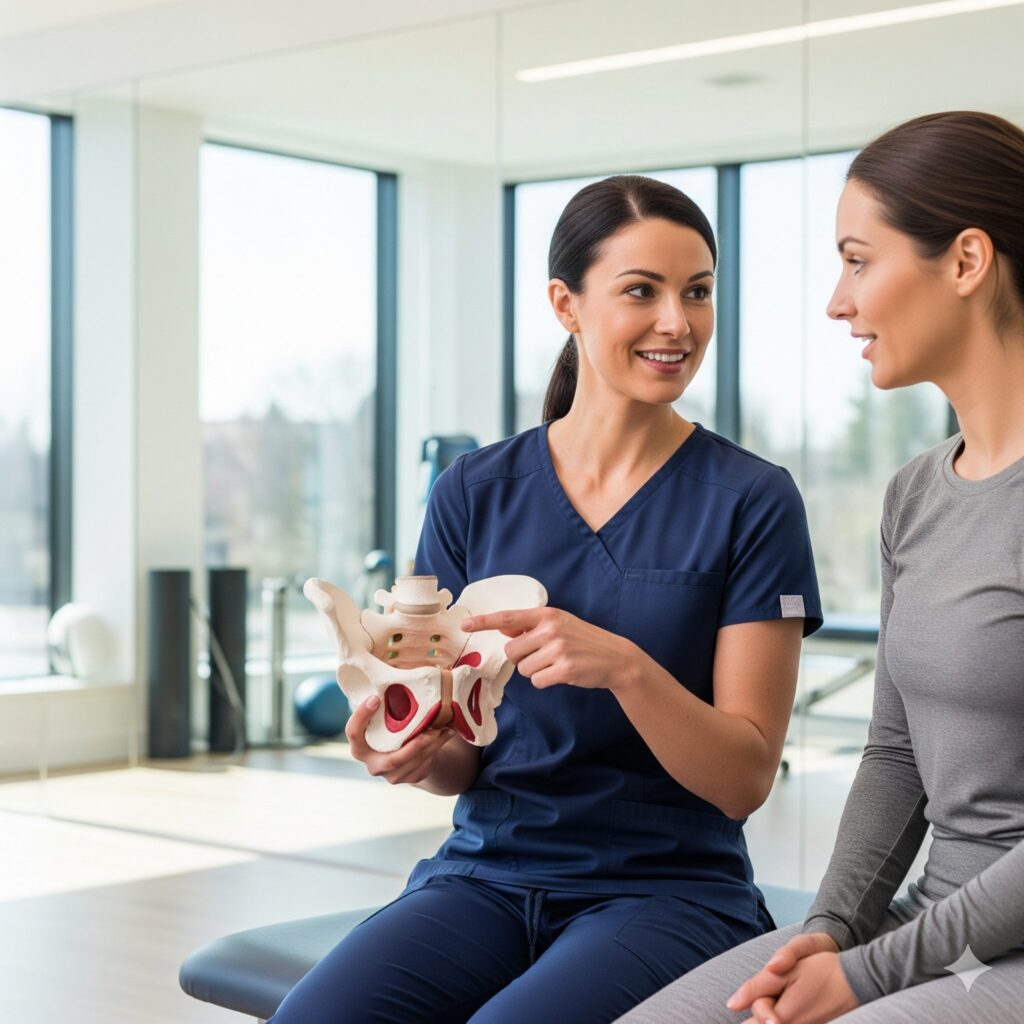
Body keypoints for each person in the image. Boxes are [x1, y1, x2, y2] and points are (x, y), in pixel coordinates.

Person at [269, 175, 822, 1024]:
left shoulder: (751, 499)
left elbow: (745, 780)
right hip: (485, 874)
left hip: (667, 891)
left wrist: (629, 670)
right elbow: (465, 759)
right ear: (566, 304)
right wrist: (415, 752)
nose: (678, 322)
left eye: (698, 292)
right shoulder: (474, 490)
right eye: (642, 291)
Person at [616, 111, 1024, 1024]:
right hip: (927, 927)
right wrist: (833, 931)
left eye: (858, 260)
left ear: (965, 261)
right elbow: (894, 753)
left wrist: (869, 977)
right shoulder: (917, 494)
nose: (838, 303)